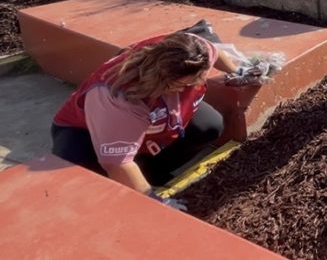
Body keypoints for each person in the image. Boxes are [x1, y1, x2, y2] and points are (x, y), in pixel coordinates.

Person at [50, 32, 234, 209]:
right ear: (163, 79)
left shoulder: (192, 53)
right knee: (85, 182)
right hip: (86, 132)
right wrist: (153, 200)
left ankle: (150, 171)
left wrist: (239, 71)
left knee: (208, 126)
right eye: (182, 85)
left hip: (157, 116)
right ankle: (137, 182)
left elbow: (214, 53)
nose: (196, 83)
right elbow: (116, 162)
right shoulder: (118, 97)